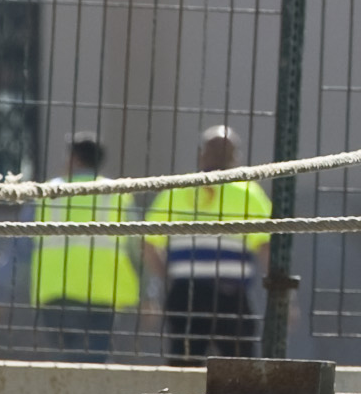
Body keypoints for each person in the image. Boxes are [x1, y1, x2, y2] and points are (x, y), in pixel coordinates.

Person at [146, 124, 273, 364]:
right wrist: (282, 293)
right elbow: (266, 247)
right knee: (240, 367)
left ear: (200, 153)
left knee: (184, 363)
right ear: (236, 157)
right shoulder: (249, 193)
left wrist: (169, 275)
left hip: (187, 292)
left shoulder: (177, 191)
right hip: (230, 294)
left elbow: (149, 244)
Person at [26, 136, 139, 364]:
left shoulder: (46, 193)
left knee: (62, 363)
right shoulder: (117, 194)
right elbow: (137, 247)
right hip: (103, 293)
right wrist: (148, 292)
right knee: (95, 362)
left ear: (74, 159)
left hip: (55, 292)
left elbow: (20, 246)